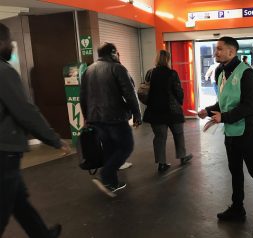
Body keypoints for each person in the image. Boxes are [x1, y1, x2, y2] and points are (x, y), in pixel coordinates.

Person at [198, 37, 253, 233]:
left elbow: (249, 106)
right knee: (235, 170)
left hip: (248, 131)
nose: (216, 52)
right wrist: (208, 111)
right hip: (231, 131)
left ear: (231, 52)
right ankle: (237, 208)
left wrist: (223, 117)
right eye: (216, 49)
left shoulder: (247, 73)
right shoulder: (220, 72)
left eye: (219, 49)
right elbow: (223, 102)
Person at [0, 23, 71, 238]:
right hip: (4, 152)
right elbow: (25, 111)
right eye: (8, 40)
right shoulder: (3, 71)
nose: (11, 44)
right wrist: (54, 139)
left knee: (18, 199)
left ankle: (41, 234)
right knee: (3, 208)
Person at [80, 42, 142, 195]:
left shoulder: (88, 70)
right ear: (113, 53)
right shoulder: (117, 68)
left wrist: (87, 117)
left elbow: (83, 97)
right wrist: (137, 114)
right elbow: (130, 94)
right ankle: (106, 174)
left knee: (109, 148)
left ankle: (112, 183)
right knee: (126, 146)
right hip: (115, 117)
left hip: (95, 119)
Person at [143, 50, 193, 173]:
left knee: (160, 137)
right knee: (178, 133)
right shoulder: (172, 73)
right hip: (172, 110)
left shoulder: (150, 73)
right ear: (168, 59)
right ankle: (182, 156)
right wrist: (180, 101)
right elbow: (178, 90)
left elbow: (145, 90)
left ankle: (161, 163)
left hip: (155, 110)